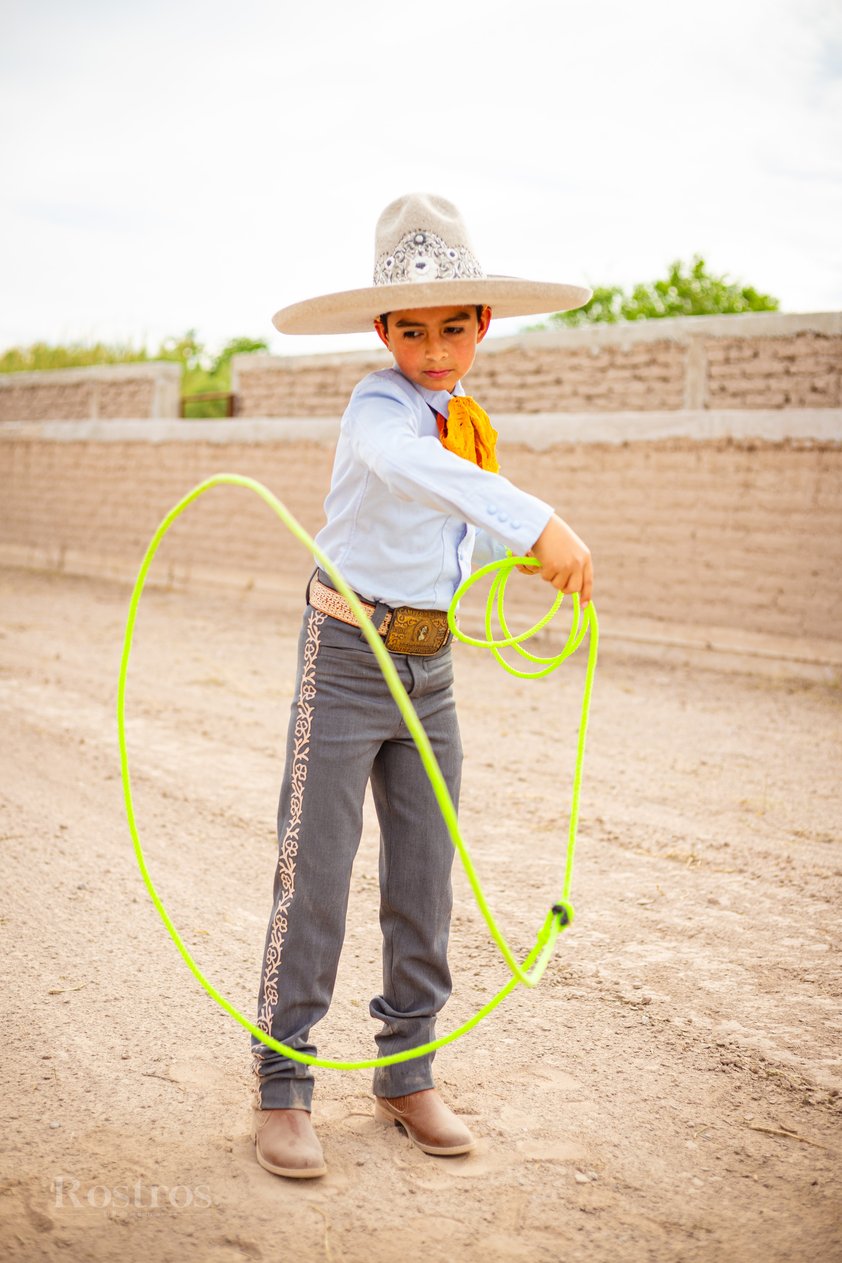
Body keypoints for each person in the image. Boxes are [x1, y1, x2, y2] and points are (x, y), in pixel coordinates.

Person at [251, 192, 593, 1179]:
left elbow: (463, 530)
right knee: (313, 870)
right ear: (382, 330)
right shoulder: (378, 408)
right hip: (347, 654)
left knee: (423, 871)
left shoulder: (466, 424)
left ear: (482, 326)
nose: (433, 350)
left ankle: (406, 1068)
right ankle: (282, 1085)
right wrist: (537, 520)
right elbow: (404, 468)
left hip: (430, 662)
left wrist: (520, 553)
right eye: (411, 330)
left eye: (452, 328)